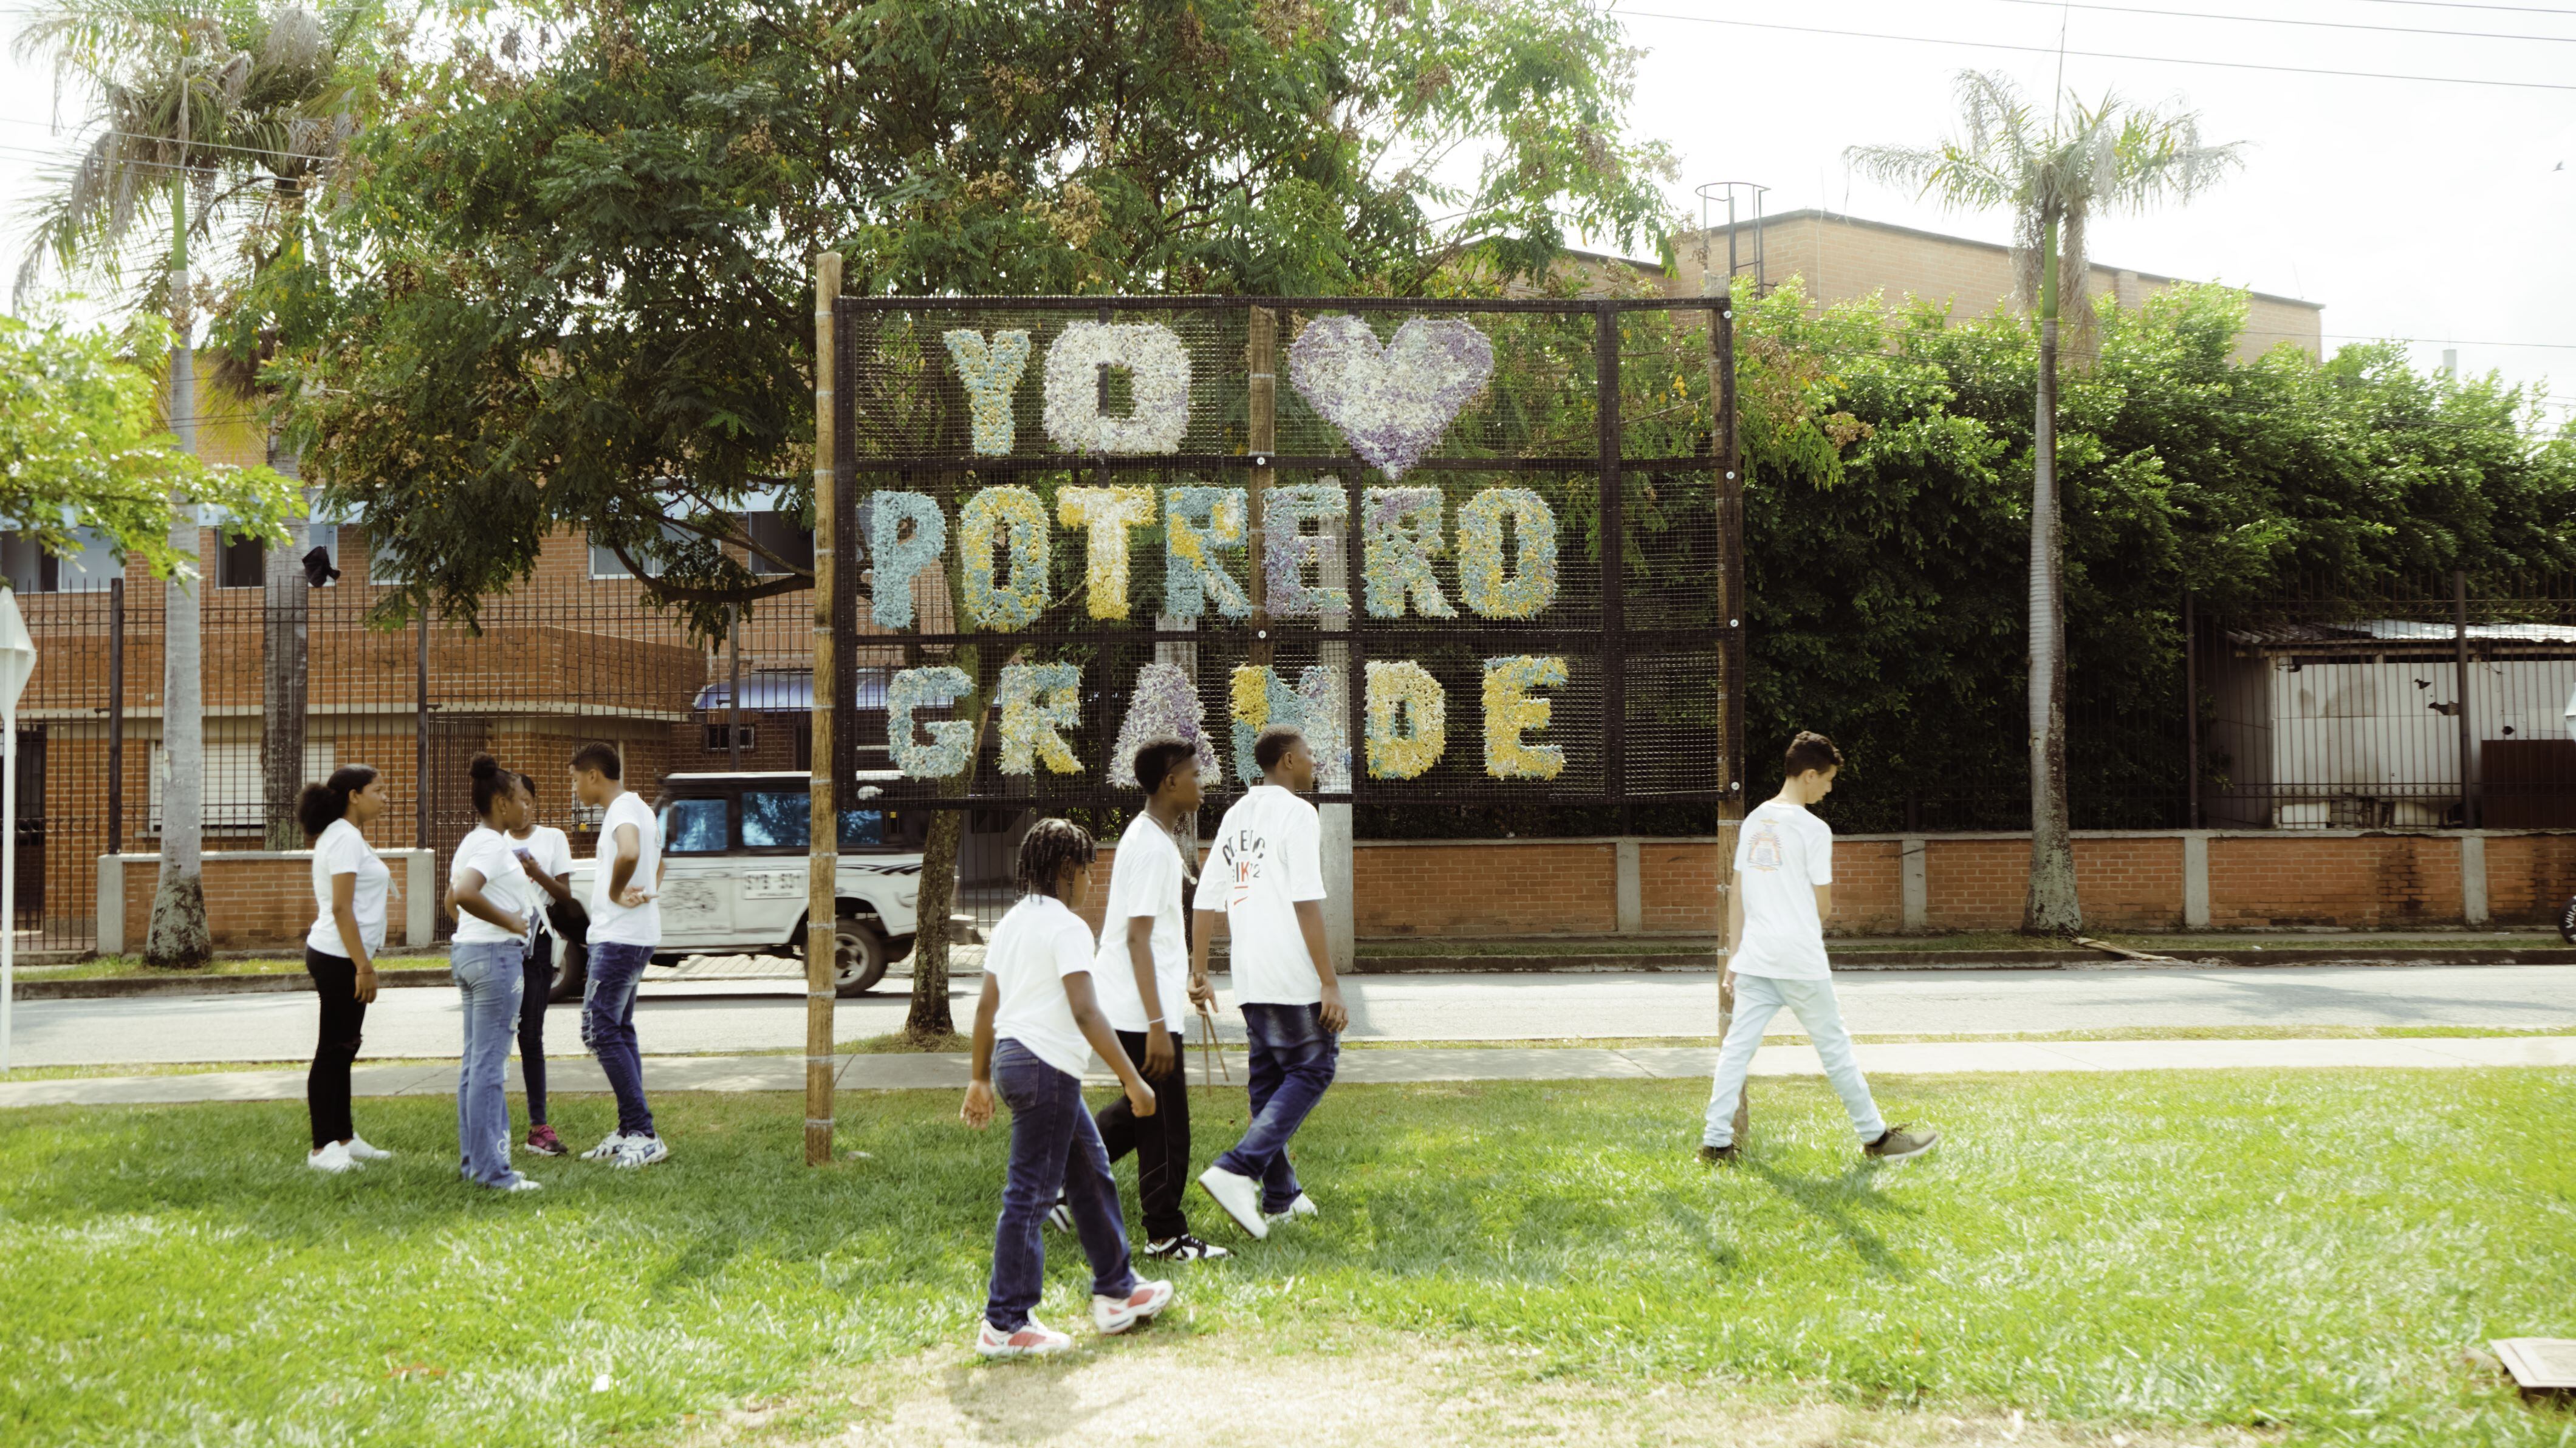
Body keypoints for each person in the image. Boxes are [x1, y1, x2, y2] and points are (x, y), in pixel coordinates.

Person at [963, 818, 1176, 1358]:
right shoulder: (1067, 928)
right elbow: (1086, 1010)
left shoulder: (1012, 923)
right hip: (1045, 1067)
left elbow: (988, 1007)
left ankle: (1117, 1291)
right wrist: (1134, 1081)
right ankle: (1005, 1322)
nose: (1091, 884)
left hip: (1016, 1060)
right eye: (1087, 872)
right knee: (1030, 1195)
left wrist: (980, 1077)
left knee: (1091, 1174)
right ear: (1066, 870)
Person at [1700, 731, 1938, 1166]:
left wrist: (1735, 958)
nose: (1828, 789)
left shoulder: (1753, 820)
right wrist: (1802, 931)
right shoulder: (1814, 829)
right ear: (1809, 775)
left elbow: (1736, 893)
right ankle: (1877, 1139)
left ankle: (1716, 1145)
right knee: (1835, 1049)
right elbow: (1823, 904)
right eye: (1827, 780)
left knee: (1736, 1051)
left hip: (1754, 958)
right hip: (1799, 959)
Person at [1057, 739, 1228, 1262]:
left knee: (1141, 1110)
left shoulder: (1148, 836)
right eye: (1196, 774)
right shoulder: (1153, 847)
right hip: (1138, 1008)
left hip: (1132, 1000)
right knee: (1166, 1126)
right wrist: (1158, 1023)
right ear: (1170, 781)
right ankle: (1166, 1234)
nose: (1203, 783)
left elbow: (1152, 939)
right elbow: (1136, 939)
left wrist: (1189, 982)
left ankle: (1062, 1188)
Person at [1190, 725, 1345, 1241]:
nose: (1313, 762)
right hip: (1291, 974)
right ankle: (1238, 1169)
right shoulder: (1299, 814)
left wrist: (1199, 970)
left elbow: (1205, 897)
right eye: (1307, 755)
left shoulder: (1235, 815)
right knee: (1314, 1066)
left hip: (1251, 976)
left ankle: (1281, 1197)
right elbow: (1306, 900)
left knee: (1267, 1087)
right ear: (1286, 761)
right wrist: (1329, 983)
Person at [443, 757, 543, 1193]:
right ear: (502, 803)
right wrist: (511, 922)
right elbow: (464, 895)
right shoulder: (492, 846)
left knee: (475, 1064)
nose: (527, 808)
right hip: (494, 958)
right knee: (489, 1067)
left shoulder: (472, 842)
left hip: (469, 953)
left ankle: (478, 1164)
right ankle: (492, 1172)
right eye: (521, 801)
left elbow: (452, 902)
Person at [569, 742, 668, 1168]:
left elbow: (629, 853)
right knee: (619, 1029)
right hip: (637, 933)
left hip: (619, 937)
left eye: (575, 779)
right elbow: (659, 862)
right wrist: (648, 891)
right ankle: (630, 1128)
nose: (573, 788)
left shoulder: (621, 812)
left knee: (599, 1030)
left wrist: (613, 893)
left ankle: (643, 1132)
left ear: (593, 776)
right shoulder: (641, 808)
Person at [298, 764, 396, 1175]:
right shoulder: (343, 839)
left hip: (346, 955)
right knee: (332, 1051)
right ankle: (322, 1149)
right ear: (354, 796)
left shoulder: (348, 837)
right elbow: (340, 908)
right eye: (378, 790)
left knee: (345, 1047)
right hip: (339, 957)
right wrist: (363, 966)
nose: (384, 797)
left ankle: (345, 1138)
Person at [509, 771, 577, 1157]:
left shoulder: (553, 839)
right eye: (513, 800)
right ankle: (489, 1126)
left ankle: (539, 1126)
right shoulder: (493, 841)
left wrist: (537, 873)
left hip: (538, 945)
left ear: (534, 802)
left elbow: (566, 895)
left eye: (526, 800)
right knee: (496, 1036)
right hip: (500, 945)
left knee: (531, 1035)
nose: (521, 808)